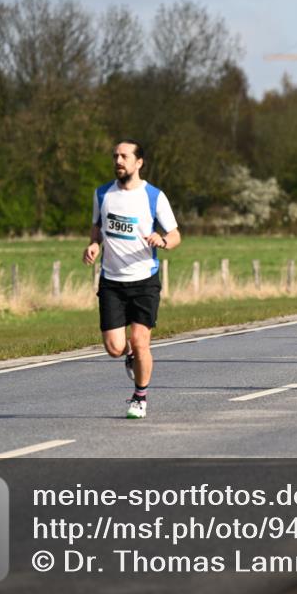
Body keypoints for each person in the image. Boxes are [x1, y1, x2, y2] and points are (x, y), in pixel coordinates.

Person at [83, 139, 180, 418]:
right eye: (115, 156)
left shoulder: (154, 196)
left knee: (140, 340)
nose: (118, 161)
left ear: (139, 162)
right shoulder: (102, 195)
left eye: (124, 156)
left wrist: (162, 240)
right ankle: (129, 356)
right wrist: (93, 245)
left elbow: (175, 235)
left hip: (143, 280)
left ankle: (139, 397)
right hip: (111, 281)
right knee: (114, 347)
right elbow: (97, 228)